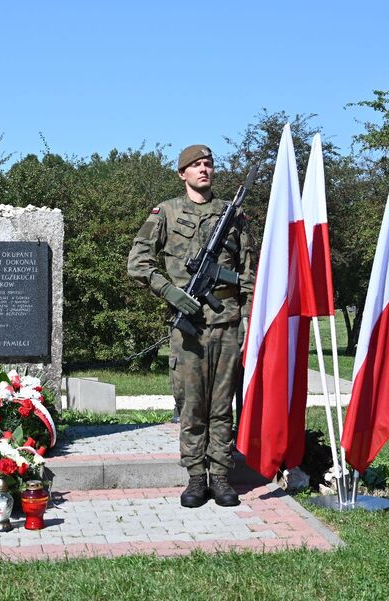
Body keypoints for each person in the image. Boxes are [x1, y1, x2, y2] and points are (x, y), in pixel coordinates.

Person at [127, 144, 255, 508]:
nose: (204, 170)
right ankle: (196, 478)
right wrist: (171, 292)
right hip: (189, 329)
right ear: (182, 173)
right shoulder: (166, 212)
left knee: (221, 405)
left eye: (208, 164)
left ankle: (221, 476)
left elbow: (245, 271)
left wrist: (247, 318)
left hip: (227, 322)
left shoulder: (232, 214)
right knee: (191, 406)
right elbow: (138, 263)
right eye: (195, 165)